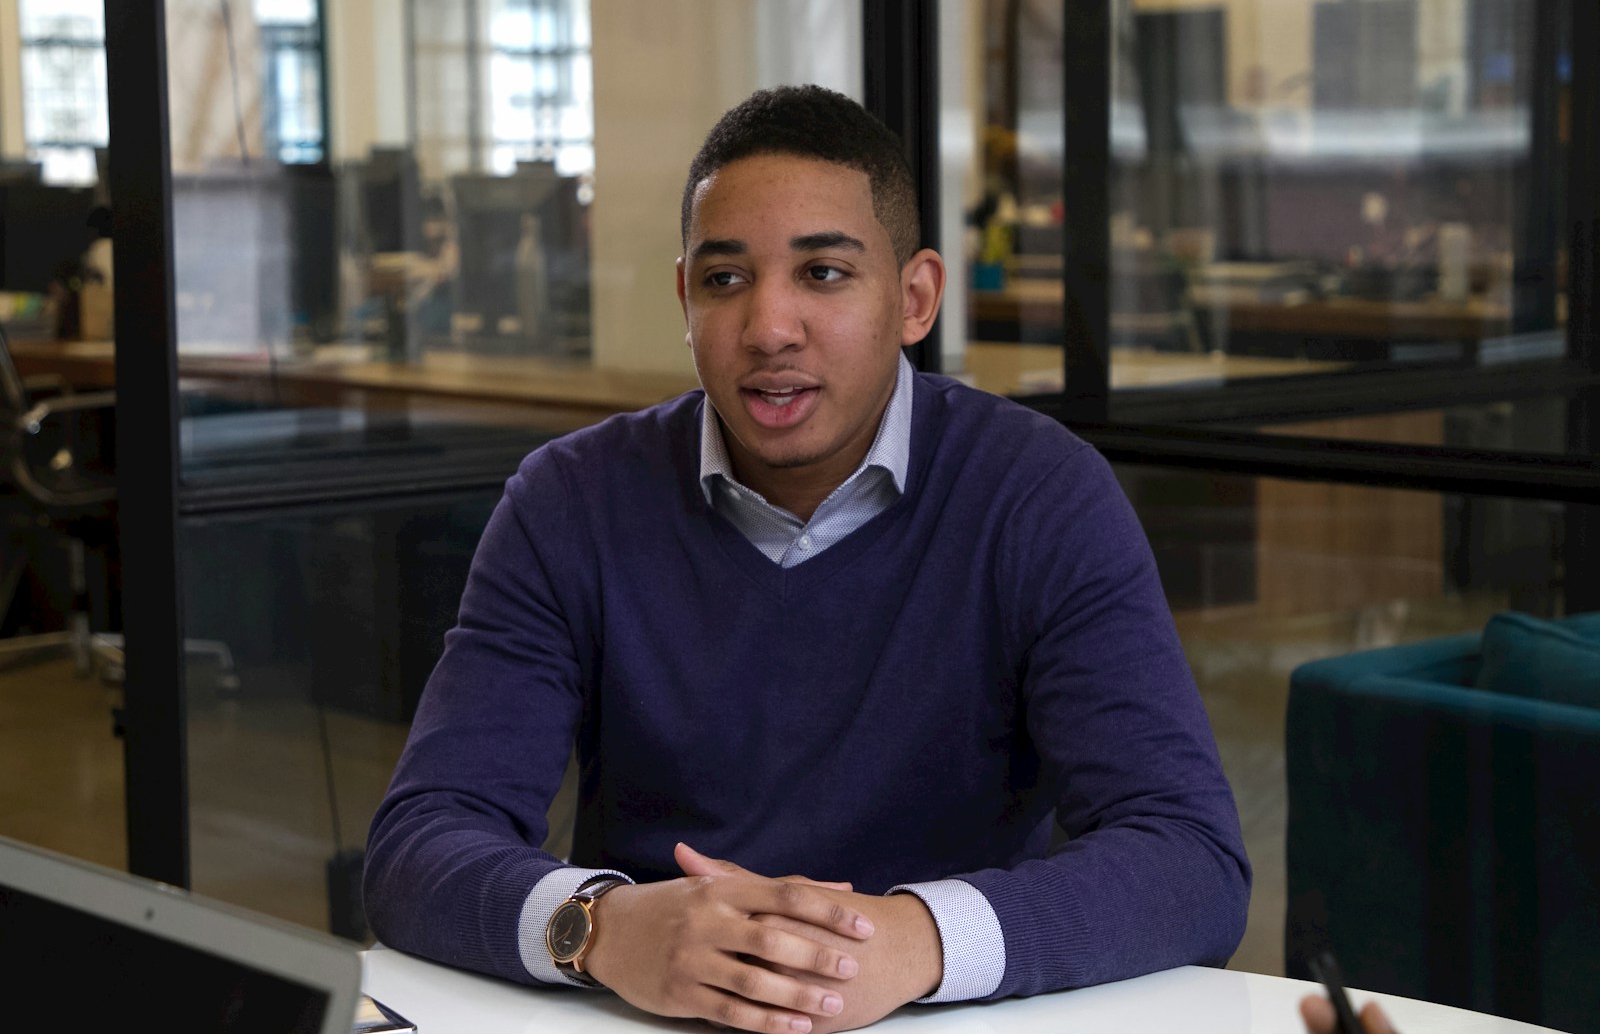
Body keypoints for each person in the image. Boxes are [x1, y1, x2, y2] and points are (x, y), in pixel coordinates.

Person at [363, 84, 1250, 1034]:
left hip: (944, 1016)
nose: (769, 327)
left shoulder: (1041, 495)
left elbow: (1189, 856)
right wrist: (603, 925)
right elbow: (419, 841)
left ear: (914, 300)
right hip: (646, 1015)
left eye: (823, 273)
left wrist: (910, 939)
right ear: (684, 299)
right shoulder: (570, 501)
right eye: (725, 279)